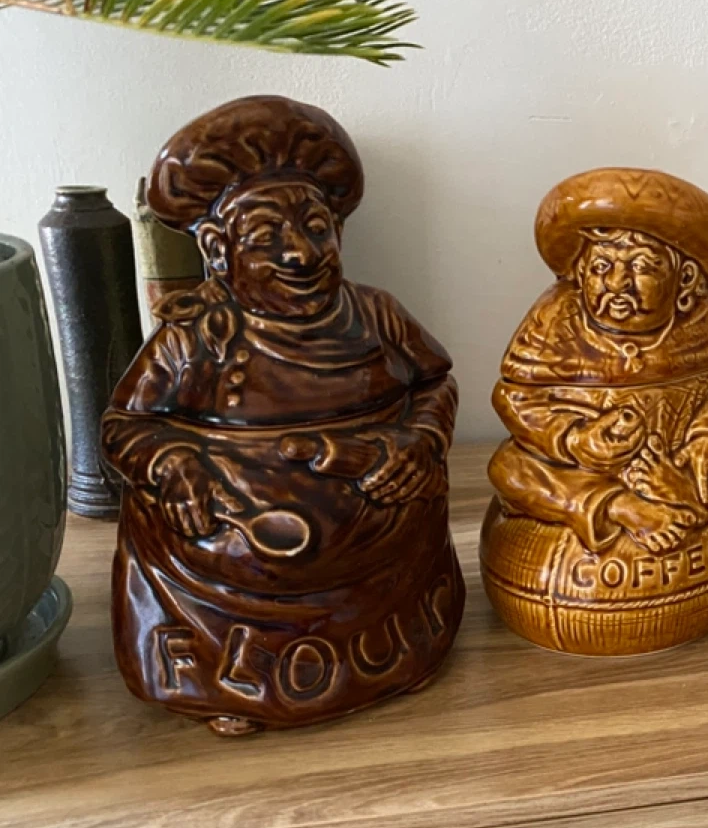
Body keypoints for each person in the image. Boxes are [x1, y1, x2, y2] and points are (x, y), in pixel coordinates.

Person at [102, 96, 464, 734]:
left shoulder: (375, 313)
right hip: (237, 539)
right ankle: (230, 686)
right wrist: (175, 464)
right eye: (268, 237)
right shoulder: (196, 337)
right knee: (231, 545)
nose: (301, 253)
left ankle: (401, 654)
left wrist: (419, 441)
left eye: (316, 228)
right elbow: (125, 426)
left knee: (403, 511)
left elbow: (435, 381)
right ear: (217, 248)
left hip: (375, 515)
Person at [483, 168, 708, 655]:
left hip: (675, 454)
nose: (617, 283)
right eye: (601, 266)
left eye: (642, 267)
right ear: (579, 274)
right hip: (580, 467)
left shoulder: (706, 318)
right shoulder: (555, 316)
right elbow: (516, 397)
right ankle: (616, 507)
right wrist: (574, 438)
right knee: (508, 466)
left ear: (685, 280)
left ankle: (683, 500)